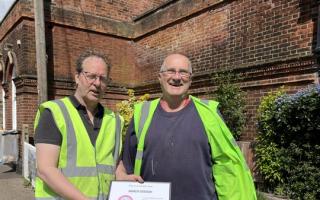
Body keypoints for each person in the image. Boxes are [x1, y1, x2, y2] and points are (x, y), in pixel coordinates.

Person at [116, 53, 257, 200]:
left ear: (190, 79)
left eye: (183, 72)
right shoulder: (142, 114)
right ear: (160, 77)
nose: (177, 77)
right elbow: (127, 164)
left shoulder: (209, 113)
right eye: (171, 71)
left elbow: (227, 166)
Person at [34, 50, 123, 200]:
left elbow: (114, 166)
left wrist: (125, 178)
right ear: (77, 77)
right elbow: (45, 169)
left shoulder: (115, 120)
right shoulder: (54, 113)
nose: (97, 83)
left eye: (103, 78)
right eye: (91, 76)